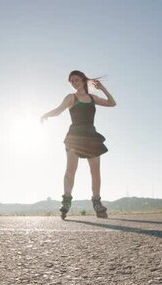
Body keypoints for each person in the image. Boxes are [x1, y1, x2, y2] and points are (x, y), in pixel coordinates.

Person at [41, 70, 117, 219]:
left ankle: (97, 202)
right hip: (75, 137)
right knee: (71, 170)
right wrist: (45, 115)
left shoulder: (92, 98)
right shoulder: (71, 97)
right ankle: (66, 201)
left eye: (76, 79)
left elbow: (112, 103)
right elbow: (58, 111)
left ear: (83, 80)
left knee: (95, 173)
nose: (74, 83)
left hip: (91, 137)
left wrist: (102, 89)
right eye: (72, 81)